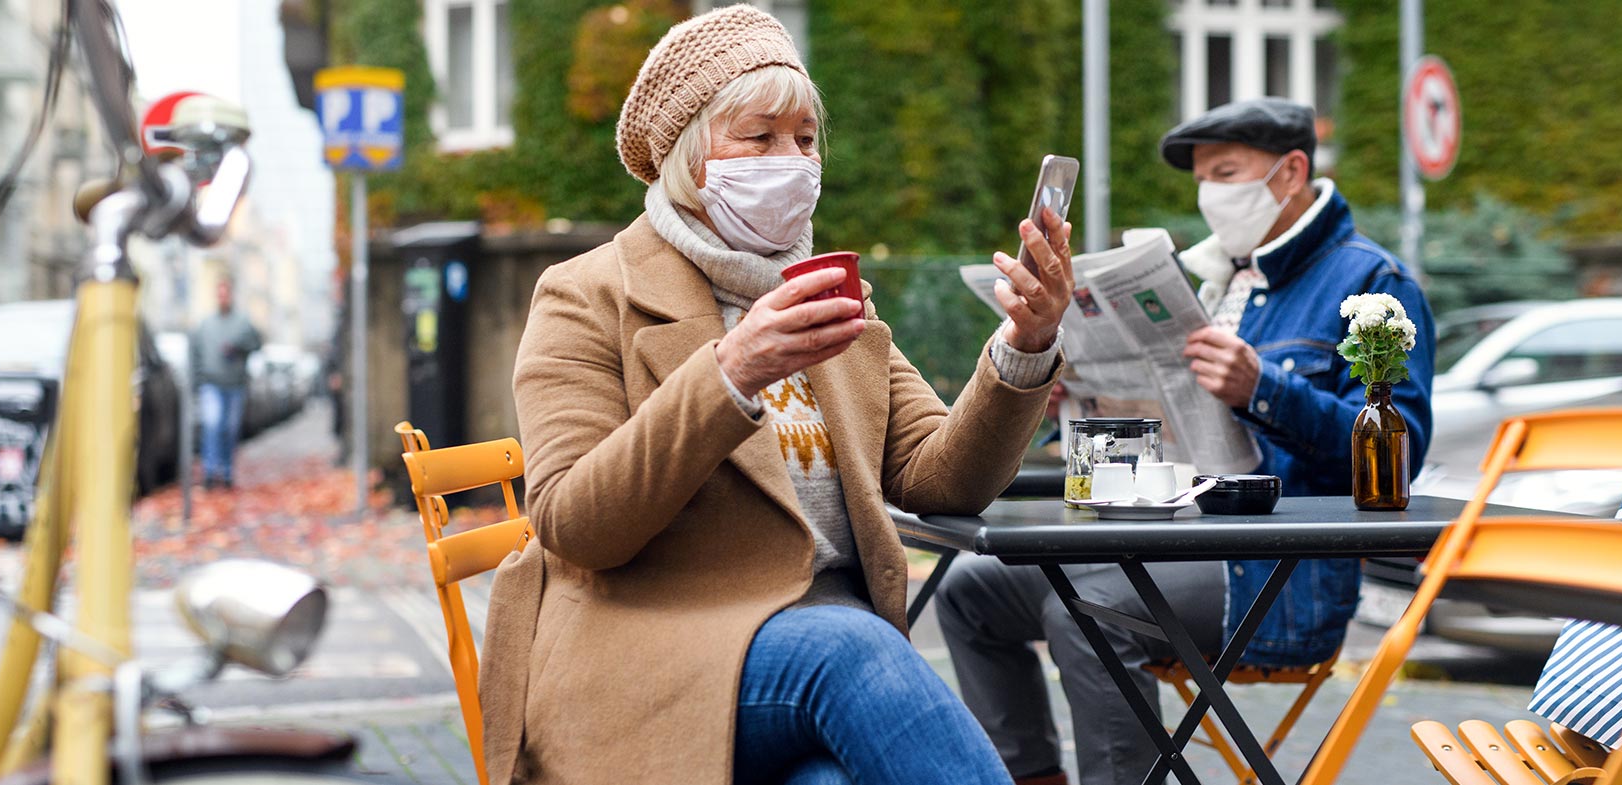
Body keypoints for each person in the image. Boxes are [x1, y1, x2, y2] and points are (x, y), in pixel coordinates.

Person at [482, 7, 1075, 784]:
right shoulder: (587, 293)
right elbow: (574, 526)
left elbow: (941, 477)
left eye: (803, 139)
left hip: (810, 673)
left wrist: (1024, 346)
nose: (790, 160)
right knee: (852, 645)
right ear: (691, 159)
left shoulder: (829, 295)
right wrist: (730, 372)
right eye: (758, 138)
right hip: (649, 657)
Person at [935, 97, 1436, 785]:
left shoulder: (1372, 284)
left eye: (1226, 172)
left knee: (1089, 603)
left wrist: (1263, 387)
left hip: (1274, 576)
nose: (1210, 194)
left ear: (1291, 172)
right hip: (1170, 536)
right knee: (969, 590)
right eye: (1201, 178)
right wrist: (1073, 396)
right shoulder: (1220, 277)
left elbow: (1399, 459)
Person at [190, 277, 261, 489]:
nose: (222, 297)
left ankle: (227, 472)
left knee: (230, 429)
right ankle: (210, 473)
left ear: (231, 295)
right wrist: (198, 381)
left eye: (226, 293)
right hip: (211, 384)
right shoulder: (206, 324)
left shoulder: (242, 323)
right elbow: (196, 353)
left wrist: (238, 347)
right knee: (212, 426)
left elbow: (256, 343)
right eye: (219, 293)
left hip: (235, 384)